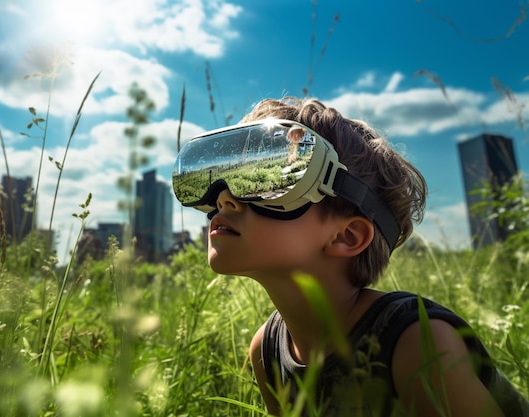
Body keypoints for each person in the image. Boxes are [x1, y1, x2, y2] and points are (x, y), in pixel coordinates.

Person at [172, 97, 529, 416]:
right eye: (223, 176)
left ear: (347, 236)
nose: (224, 199)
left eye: (267, 181)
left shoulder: (414, 342)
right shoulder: (266, 351)